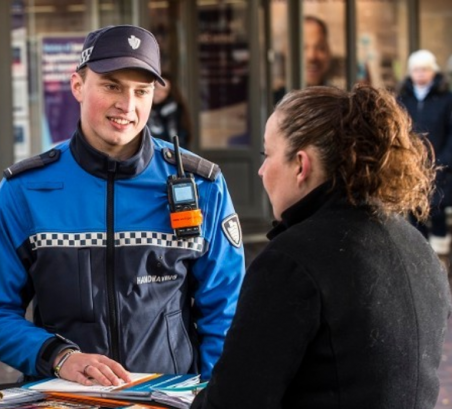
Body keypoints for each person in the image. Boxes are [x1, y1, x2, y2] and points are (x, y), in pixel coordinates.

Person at [0, 25, 245, 386]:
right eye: (112, 86)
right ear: (78, 85)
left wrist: (211, 395)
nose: (127, 106)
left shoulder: (203, 185)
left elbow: (228, 312)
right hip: (62, 399)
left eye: (141, 91)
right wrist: (58, 357)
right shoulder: (23, 190)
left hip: (168, 399)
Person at [192, 84, 452, 408]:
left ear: (301, 165)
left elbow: (233, 401)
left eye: (267, 154)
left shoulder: (292, 261)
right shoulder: (418, 247)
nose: (260, 170)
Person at [397, 49, 452, 255]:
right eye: (416, 70)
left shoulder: (446, 99)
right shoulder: (403, 98)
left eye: (424, 69)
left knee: (437, 207)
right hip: (411, 163)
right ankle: (420, 254)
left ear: (433, 71)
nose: (420, 74)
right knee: (413, 207)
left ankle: (440, 258)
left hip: (440, 164)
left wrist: (445, 160)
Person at [273, 16, 333, 103]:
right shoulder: (271, 104)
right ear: (286, 51)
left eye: (320, 47)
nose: (312, 56)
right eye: (303, 47)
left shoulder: (340, 106)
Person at [147, 72, 193, 149]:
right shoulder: (143, 109)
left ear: (169, 93)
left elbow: (183, 140)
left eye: (164, 91)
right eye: (157, 88)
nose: (159, 93)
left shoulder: (175, 112)